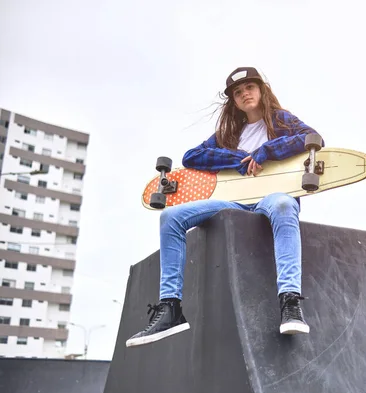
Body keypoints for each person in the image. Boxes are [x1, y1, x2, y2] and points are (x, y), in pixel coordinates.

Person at [126, 67, 323, 347]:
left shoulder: (280, 120)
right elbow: (192, 156)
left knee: (283, 204)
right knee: (170, 215)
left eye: (249, 88)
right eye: (238, 93)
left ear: (261, 90)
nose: (244, 95)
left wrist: (266, 151)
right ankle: (170, 308)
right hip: (234, 202)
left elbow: (311, 137)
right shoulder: (230, 133)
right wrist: (235, 158)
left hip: (271, 196)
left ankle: (290, 302)